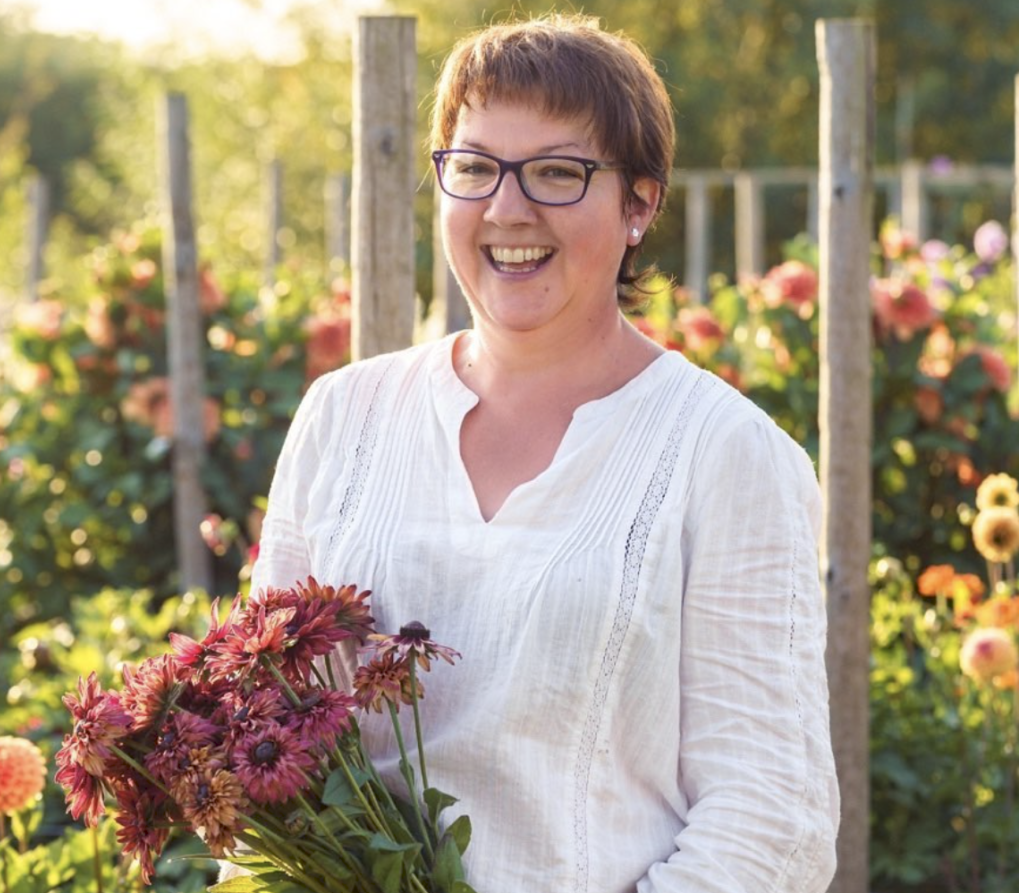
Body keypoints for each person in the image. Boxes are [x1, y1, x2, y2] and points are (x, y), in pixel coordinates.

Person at [247, 13, 839, 893]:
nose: (507, 209)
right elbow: (255, 722)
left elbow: (771, 818)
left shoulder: (727, 457)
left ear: (640, 202)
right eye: (476, 167)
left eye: (558, 172)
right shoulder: (344, 417)